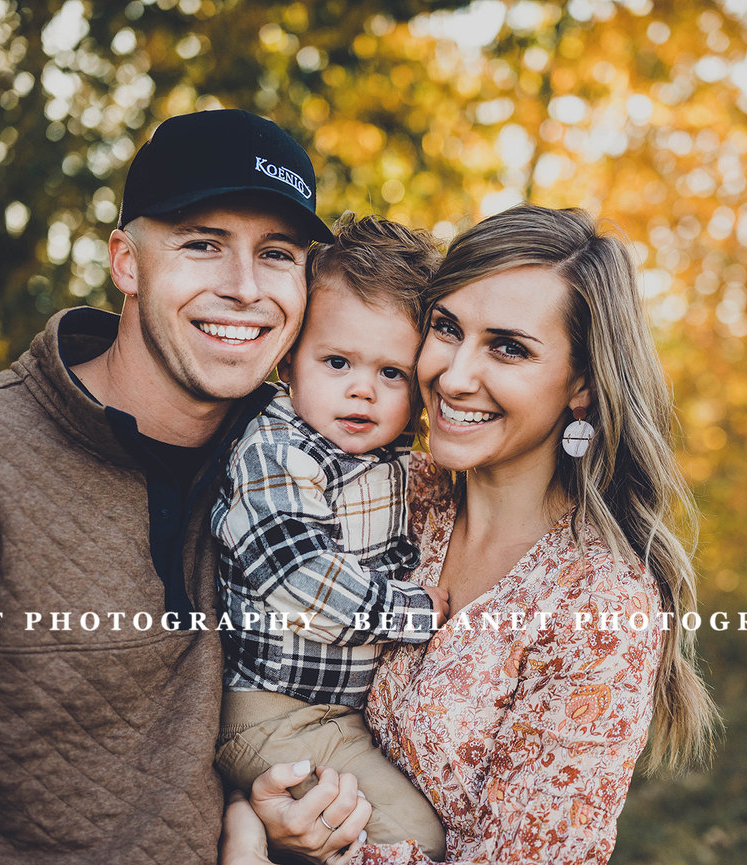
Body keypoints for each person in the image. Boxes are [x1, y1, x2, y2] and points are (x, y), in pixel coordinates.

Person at [0, 108, 338, 864]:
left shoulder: (305, 471)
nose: (245, 287)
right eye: (202, 244)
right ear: (126, 262)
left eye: (277, 254)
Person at [225, 203, 719, 865]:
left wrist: (309, 851)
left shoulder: (600, 603)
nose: (454, 376)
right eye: (446, 328)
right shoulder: (394, 491)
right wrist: (250, 805)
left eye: (508, 347)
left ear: (580, 384)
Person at [212, 215, 448, 857]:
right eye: (337, 361)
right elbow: (298, 580)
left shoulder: (394, 457)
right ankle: (244, 827)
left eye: (392, 373)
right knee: (413, 836)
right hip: (270, 709)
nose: (361, 390)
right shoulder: (279, 449)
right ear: (289, 359)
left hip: (335, 711)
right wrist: (418, 614)